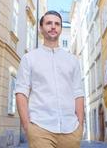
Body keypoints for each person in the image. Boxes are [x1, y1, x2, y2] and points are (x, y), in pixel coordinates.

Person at [15, 10, 84, 148]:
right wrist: (27, 126)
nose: (53, 27)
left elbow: (78, 93)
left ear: (60, 29)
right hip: (40, 128)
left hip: (70, 129)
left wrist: (80, 126)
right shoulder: (29, 59)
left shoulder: (72, 61)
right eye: (49, 23)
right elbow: (21, 92)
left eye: (57, 24)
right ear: (41, 28)